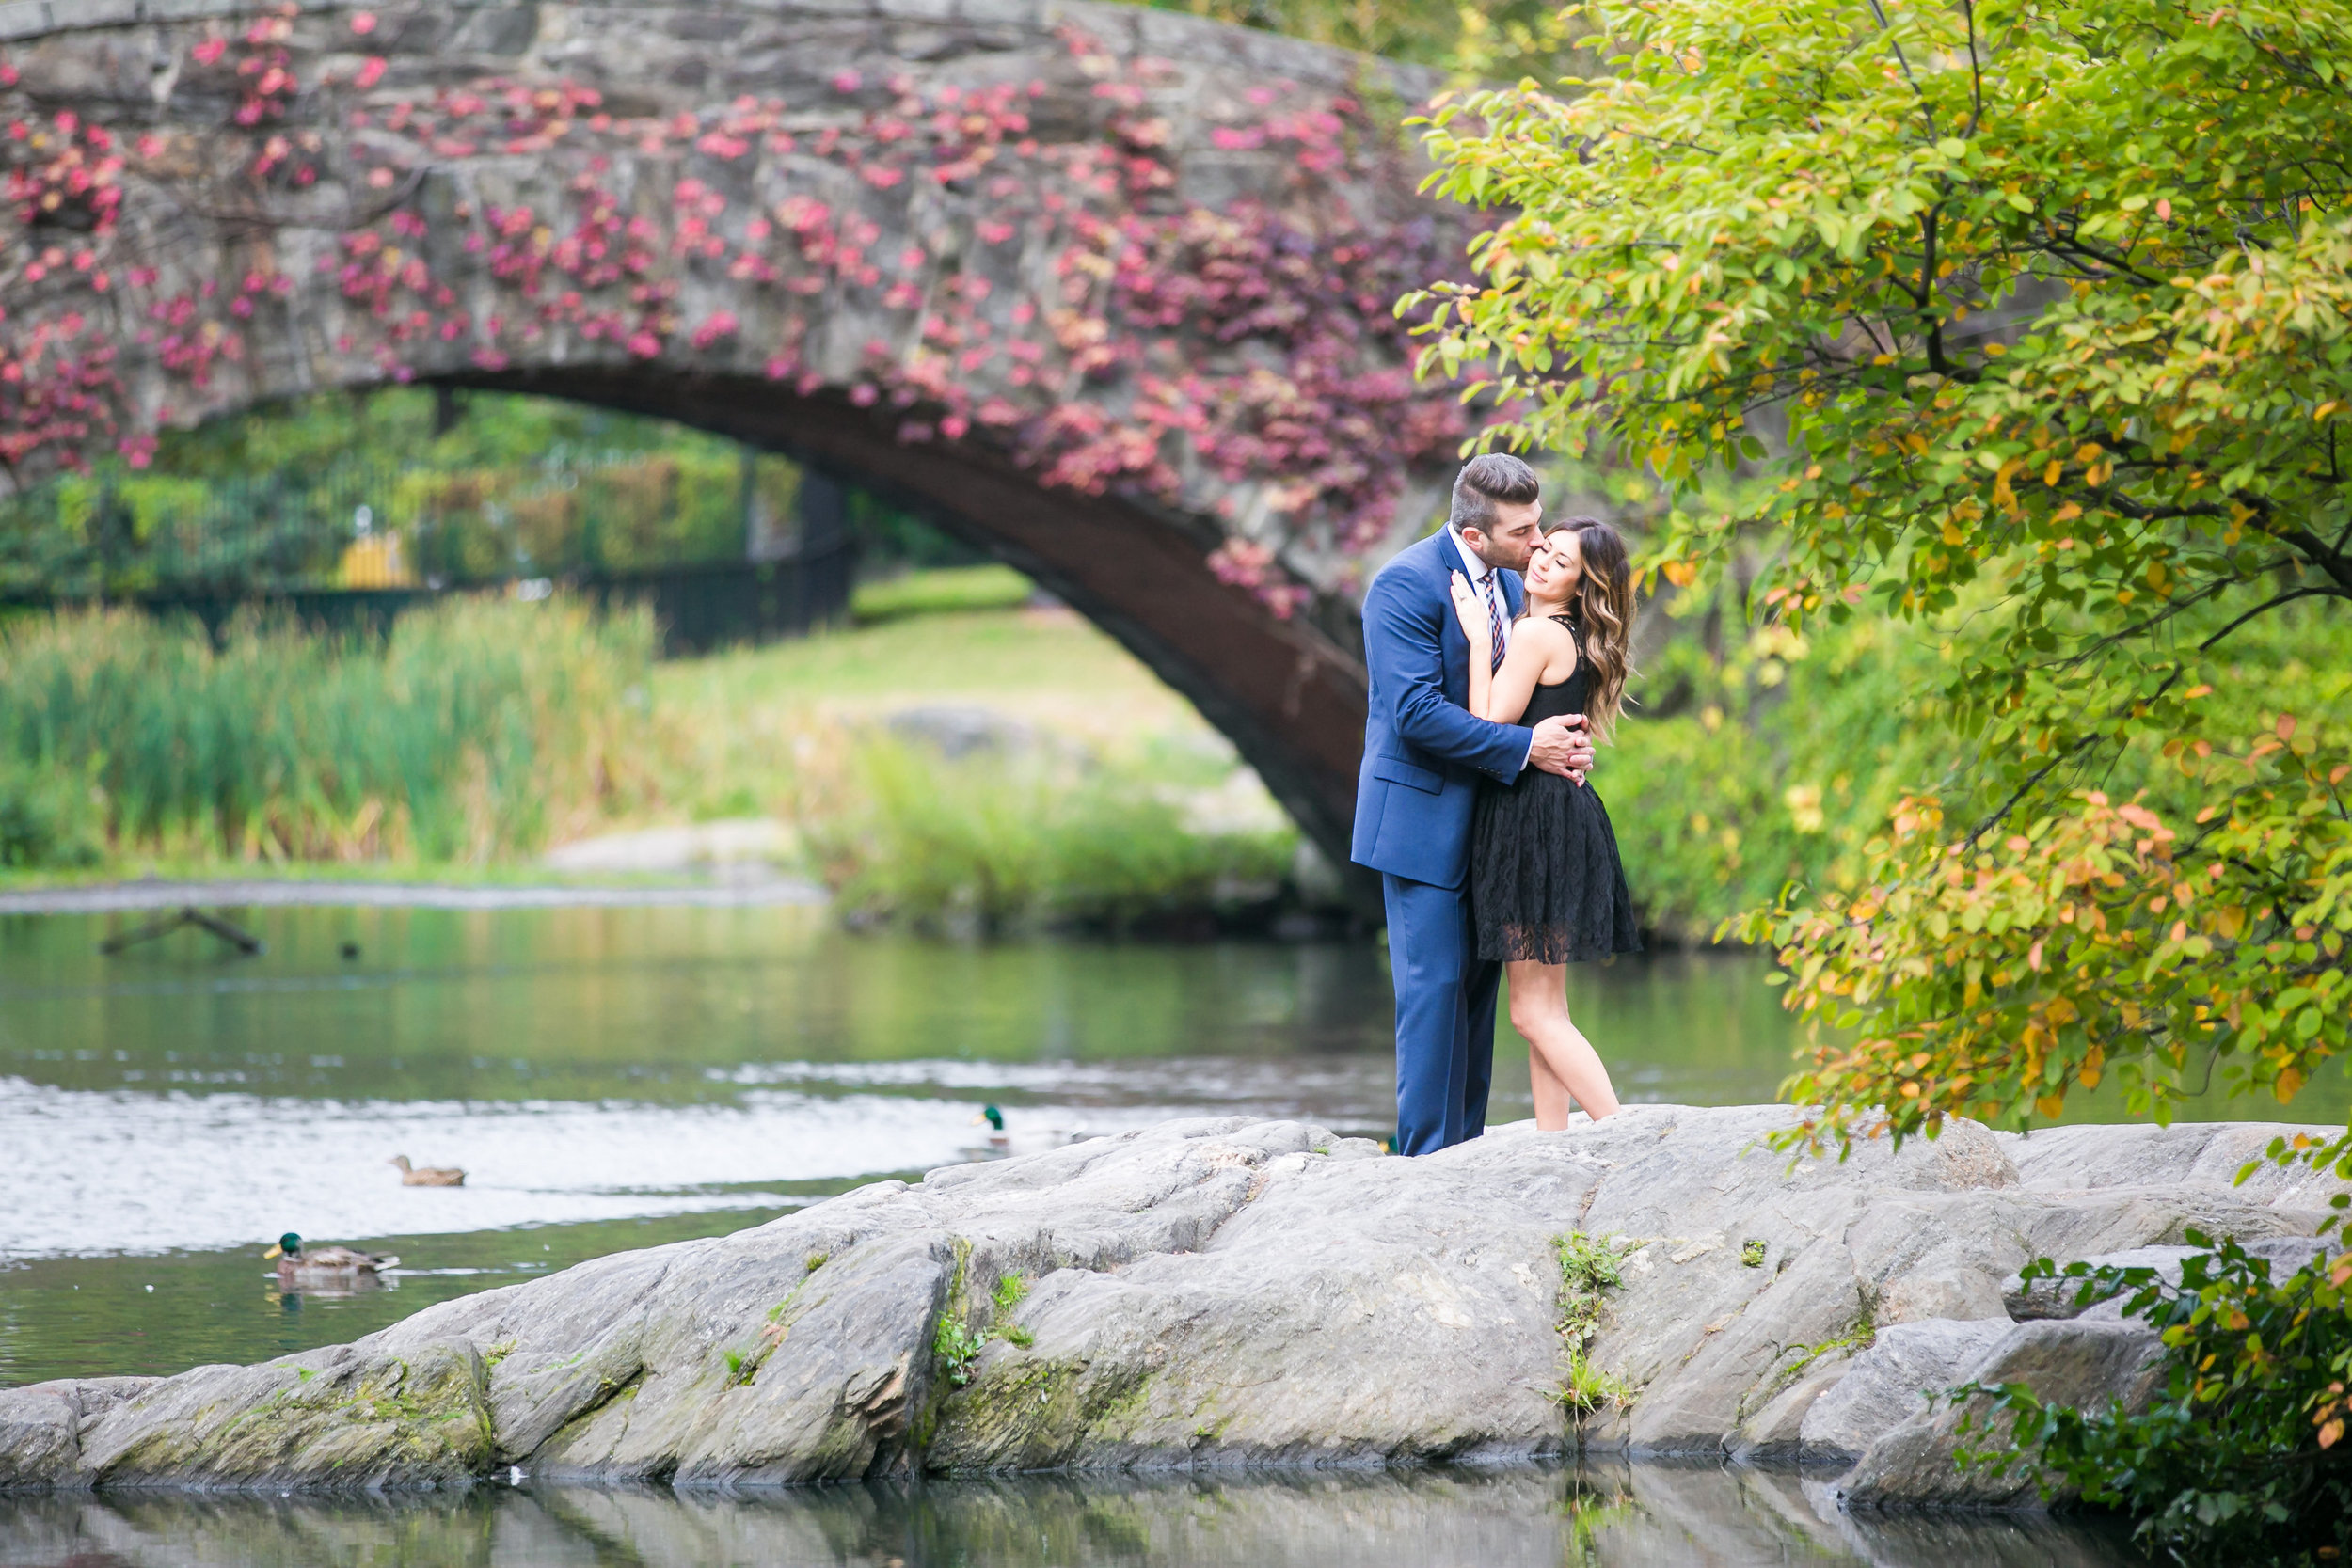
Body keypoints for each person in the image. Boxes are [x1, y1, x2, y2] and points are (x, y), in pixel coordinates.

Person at [1352, 454, 1596, 1155]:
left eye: (1540, 521)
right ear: (1476, 534)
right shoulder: (1404, 584)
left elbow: (1542, 678)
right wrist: (1527, 748)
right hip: (1420, 820)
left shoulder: (1520, 585)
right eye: (1524, 530)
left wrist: (1569, 739)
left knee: (1479, 999)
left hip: (1497, 825)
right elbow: (1415, 713)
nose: (1540, 539)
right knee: (1434, 994)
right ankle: (1425, 1162)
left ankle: (1465, 1153)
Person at [1451, 517, 1641, 1129]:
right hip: (1560, 815)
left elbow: (1486, 719)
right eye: (1544, 550)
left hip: (1535, 820)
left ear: (1583, 585)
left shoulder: (1535, 632)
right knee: (1546, 1009)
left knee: (1532, 1014)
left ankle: (1621, 1131)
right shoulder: (1573, 636)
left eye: (1560, 563)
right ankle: (1553, 1143)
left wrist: (1480, 640)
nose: (1540, 562)